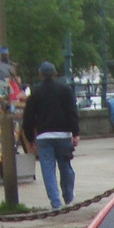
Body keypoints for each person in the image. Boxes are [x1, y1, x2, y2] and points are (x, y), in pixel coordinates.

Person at [22, 61, 79, 210]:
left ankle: (55, 203)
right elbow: (72, 112)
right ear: (54, 74)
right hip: (63, 134)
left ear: (40, 75)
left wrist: (29, 138)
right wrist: (76, 133)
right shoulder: (65, 90)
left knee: (48, 170)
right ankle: (68, 197)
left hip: (43, 136)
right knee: (65, 167)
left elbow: (28, 118)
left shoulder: (35, 93)